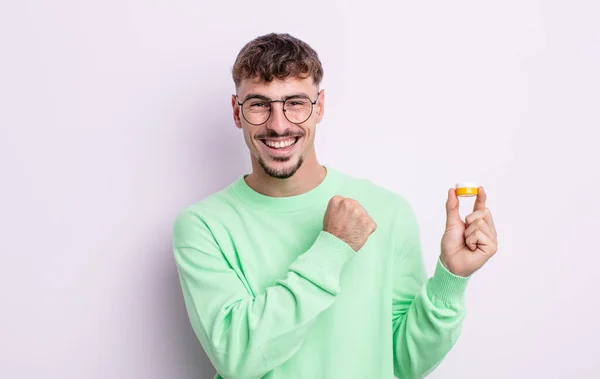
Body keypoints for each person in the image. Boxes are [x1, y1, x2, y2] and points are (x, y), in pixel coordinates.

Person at [172, 33, 498, 379]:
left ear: (320, 107)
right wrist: (332, 248)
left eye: (295, 103)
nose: (278, 124)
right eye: (259, 104)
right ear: (238, 112)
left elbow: (401, 363)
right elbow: (238, 358)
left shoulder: (385, 211)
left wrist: (451, 279)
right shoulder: (203, 226)